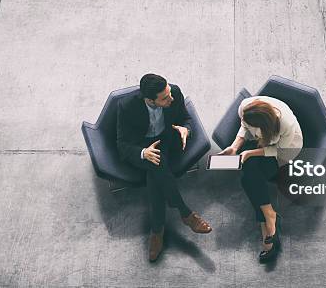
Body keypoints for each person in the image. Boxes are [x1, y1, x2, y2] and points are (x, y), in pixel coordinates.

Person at [116, 74, 212, 262]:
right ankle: (185, 214)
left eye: (169, 93)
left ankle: (157, 231)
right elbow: (122, 144)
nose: (171, 98)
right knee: (156, 166)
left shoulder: (174, 91)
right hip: (141, 147)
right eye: (165, 98)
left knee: (156, 173)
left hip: (165, 140)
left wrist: (186, 129)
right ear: (150, 100)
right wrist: (143, 152)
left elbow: (186, 118)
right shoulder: (127, 107)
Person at [219, 96, 303, 263]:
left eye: (256, 128)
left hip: (284, 150)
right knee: (249, 175)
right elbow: (244, 125)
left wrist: (250, 153)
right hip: (261, 144)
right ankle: (269, 215)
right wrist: (235, 147)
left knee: (248, 177)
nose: (253, 130)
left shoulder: (286, 125)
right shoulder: (245, 107)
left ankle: (266, 218)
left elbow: (278, 150)